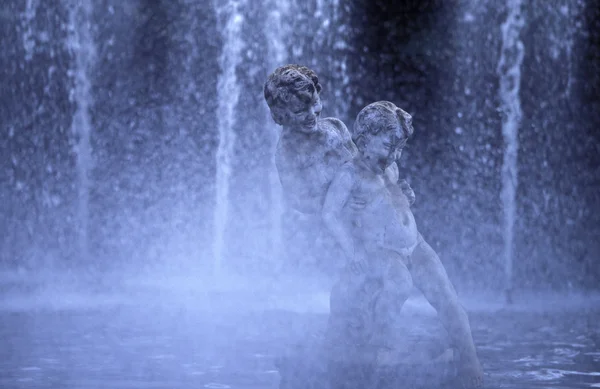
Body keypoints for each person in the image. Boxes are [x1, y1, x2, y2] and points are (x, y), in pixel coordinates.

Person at [322, 101, 484, 388]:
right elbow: (330, 213)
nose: (394, 155)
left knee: (449, 299)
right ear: (364, 140)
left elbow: (391, 197)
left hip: (415, 244)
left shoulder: (390, 167)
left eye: (399, 148)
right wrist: (352, 250)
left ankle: (471, 363)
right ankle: (380, 345)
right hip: (381, 249)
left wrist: (403, 196)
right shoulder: (349, 175)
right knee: (399, 285)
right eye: (388, 146)